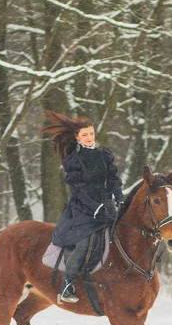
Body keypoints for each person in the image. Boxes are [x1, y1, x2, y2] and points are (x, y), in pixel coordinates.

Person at [42, 110, 124, 304]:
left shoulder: (104, 155)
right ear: (77, 137)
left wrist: (118, 196)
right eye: (84, 134)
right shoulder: (73, 160)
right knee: (83, 244)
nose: (89, 138)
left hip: (105, 205)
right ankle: (66, 286)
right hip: (82, 209)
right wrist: (94, 206)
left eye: (91, 134)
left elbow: (112, 178)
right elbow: (78, 187)